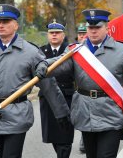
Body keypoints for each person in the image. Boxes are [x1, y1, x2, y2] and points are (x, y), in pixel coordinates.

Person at [36, 8, 123, 158]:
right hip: (85, 113)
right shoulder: (77, 51)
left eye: (98, 27)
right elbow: (59, 63)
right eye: (90, 27)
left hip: (111, 112)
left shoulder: (122, 51)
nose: (93, 31)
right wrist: (44, 64)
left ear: (107, 28)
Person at [0, 4, 70, 158]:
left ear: (15, 25)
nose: (1, 25)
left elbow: (47, 84)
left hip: (17, 116)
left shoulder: (30, 52)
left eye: (6, 21)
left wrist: (61, 112)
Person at [39, 20, 75, 158]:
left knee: (65, 136)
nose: (54, 35)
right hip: (48, 100)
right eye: (51, 33)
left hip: (66, 97)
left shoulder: (70, 50)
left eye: (57, 33)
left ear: (63, 34)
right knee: (54, 136)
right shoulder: (41, 51)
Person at [75, 23, 87, 153]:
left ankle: (84, 140)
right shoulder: (74, 50)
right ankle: (84, 138)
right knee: (82, 116)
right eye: (80, 34)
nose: (82, 36)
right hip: (77, 89)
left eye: (84, 34)